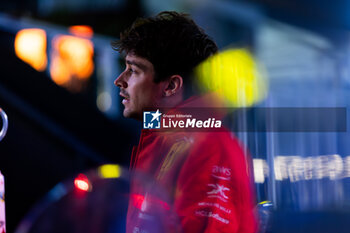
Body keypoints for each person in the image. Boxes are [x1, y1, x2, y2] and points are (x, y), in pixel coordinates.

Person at [112, 11, 257, 233]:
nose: (119, 81)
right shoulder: (163, 139)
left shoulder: (208, 147)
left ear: (171, 86)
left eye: (133, 70)